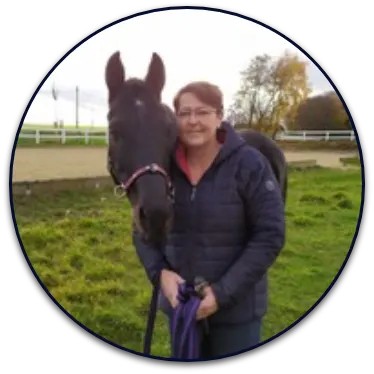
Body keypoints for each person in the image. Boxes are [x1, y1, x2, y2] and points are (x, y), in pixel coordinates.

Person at [133, 81, 285, 358]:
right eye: (184, 113)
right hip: (181, 308)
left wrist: (222, 294)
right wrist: (160, 274)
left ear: (219, 116)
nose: (193, 121)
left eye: (202, 112)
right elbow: (141, 227)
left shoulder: (250, 164)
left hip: (236, 314)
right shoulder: (163, 168)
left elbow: (270, 235)